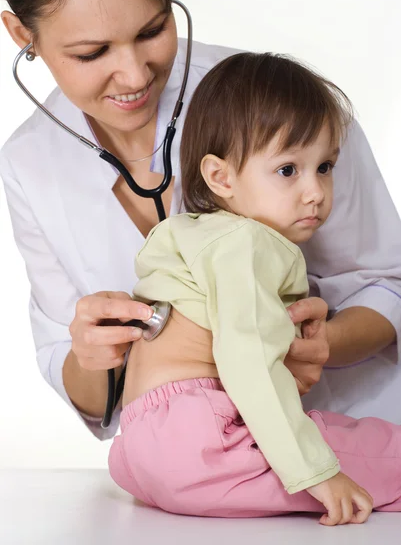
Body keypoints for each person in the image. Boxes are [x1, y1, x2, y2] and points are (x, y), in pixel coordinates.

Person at [0, 0, 400, 442]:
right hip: (199, 470)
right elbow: (79, 380)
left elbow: (387, 280)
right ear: (22, 34)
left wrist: (326, 344)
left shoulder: (280, 102)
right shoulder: (28, 163)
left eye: (152, 30)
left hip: (353, 431)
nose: (135, 74)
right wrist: (94, 356)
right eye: (92, 53)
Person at [108, 52, 401, 524]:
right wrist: (315, 472)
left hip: (143, 451)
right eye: (289, 170)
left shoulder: (197, 234)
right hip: (206, 439)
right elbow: (248, 360)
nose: (315, 192)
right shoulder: (247, 244)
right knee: (377, 452)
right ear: (220, 176)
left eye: (325, 166)